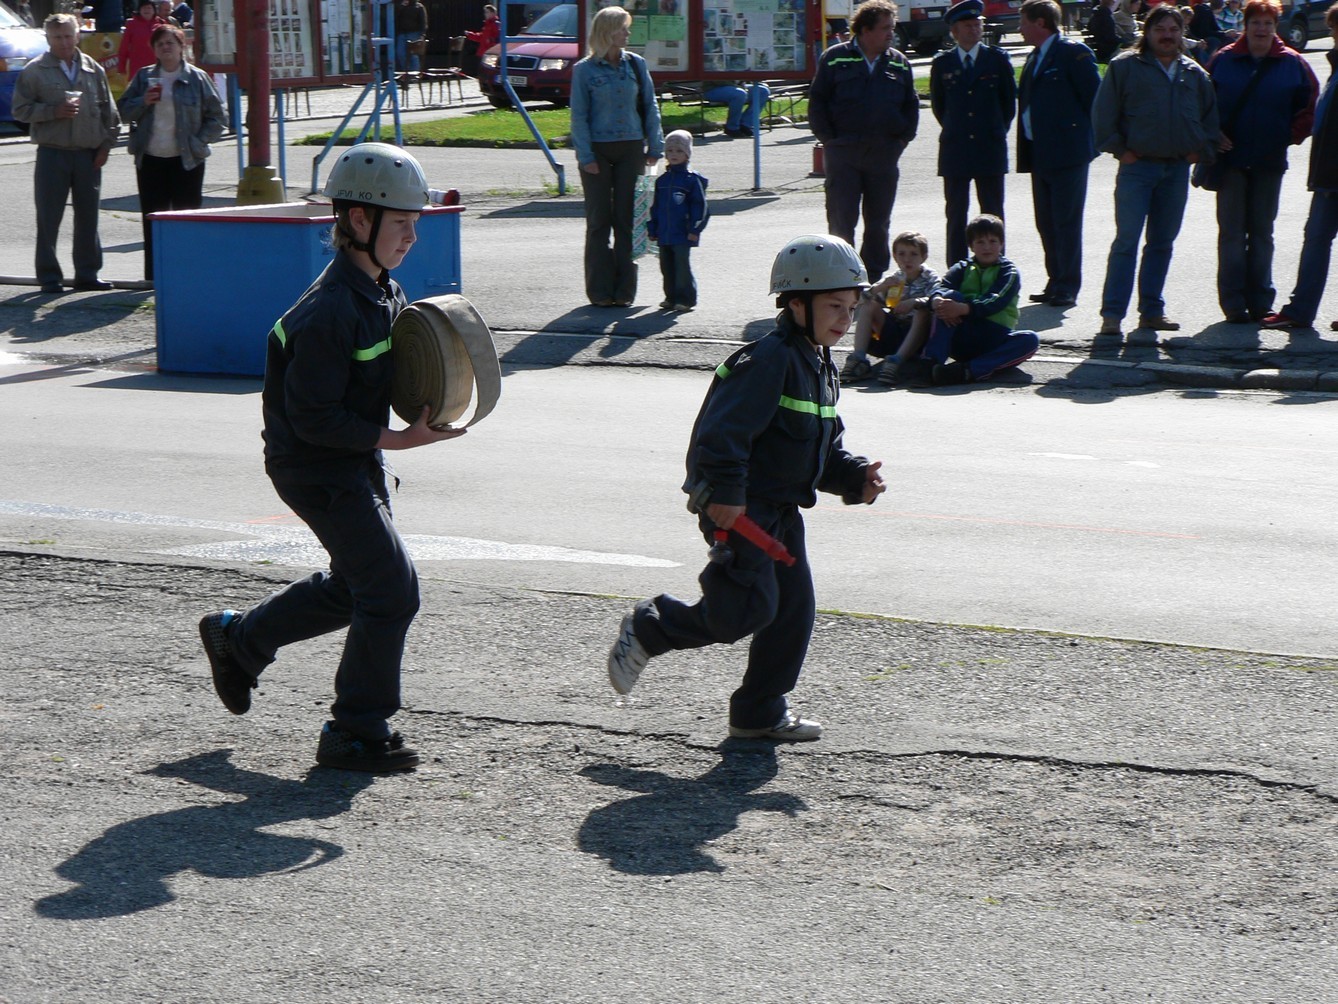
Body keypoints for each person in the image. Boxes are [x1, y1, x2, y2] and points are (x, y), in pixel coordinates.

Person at [197, 142, 467, 773]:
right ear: (359, 219)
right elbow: (314, 419)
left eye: (416, 223)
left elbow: (391, 377)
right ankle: (354, 731)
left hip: (351, 459)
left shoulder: (384, 293)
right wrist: (399, 441)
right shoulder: (328, 312)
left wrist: (432, 397)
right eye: (401, 223)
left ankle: (241, 640)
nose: (411, 236)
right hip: (313, 466)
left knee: (357, 587)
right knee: (391, 590)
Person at [606, 234, 887, 743]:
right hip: (741, 508)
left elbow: (818, 450)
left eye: (851, 308)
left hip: (780, 511)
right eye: (834, 306)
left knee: (793, 611)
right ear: (796, 304)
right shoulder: (768, 360)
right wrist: (727, 496)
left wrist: (854, 477)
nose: (845, 319)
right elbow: (721, 435)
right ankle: (652, 626)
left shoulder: (819, 365)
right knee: (746, 611)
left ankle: (759, 713)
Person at [1092, 5, 1219, 337]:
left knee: (1162, 243)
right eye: (1160, 29)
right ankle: (1112, 315)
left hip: (1175, 171)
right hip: (1137, 169)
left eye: (1174, 29)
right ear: (1147, 32)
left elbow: (1210, 119)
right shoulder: (1124, 67)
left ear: (1182, 33)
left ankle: (1151, 311)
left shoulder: (1194, 73)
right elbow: (1103, 115)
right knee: (1126, 242)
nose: (1167, 35)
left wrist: (1200, 151)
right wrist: (1121, 151)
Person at [1206, 1, 1317, 322]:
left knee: (1262, 233)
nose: (1261, 29)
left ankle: (1260, 302)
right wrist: (1213, 134)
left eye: (1268, 23)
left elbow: (1310, 107)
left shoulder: (1293, 63)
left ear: (1275, 26)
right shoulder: (1223, 60)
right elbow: (1200, 104)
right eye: (1256, 22)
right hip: (1231, 161)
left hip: (1270, 162)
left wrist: (1287, 136)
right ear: (1246, 25)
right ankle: (1233, 304)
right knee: (1231, 233)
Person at [808, 0, 918, 283]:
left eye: (892, 27)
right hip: (843, 154)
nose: (891, 33)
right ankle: (843, 277)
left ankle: (872, 277)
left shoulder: (898, 62)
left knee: (878, 222)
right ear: (865, 30)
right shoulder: (835, 58)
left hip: (883, 154)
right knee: (841, 220)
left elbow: (911, 104)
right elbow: (817, 101)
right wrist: (829, 139)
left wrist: (901, 140)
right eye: (885, 28)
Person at [12, 13, 121, 295]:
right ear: (48, 38)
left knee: (88, 218)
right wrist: (53, 112)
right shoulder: (35, 70)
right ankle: (49, 277)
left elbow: (110, 113)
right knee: (48, 218)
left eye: (68, 36)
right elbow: (20, 110)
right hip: (53, 153)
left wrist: (105, 146)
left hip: (88, 154)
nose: (63, 42)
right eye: (57, 37)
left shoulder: (92, 68)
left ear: (78, 35)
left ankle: (88, 274)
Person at [570, 5, 663, 307]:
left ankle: (624, 291)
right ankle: (599, 291)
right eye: (622, 28)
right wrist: (586, 156)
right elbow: (579, 116)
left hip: (631, 147)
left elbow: (650, 106)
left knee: (627, 221)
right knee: (599, 221)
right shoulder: (584, 70)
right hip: (597, 150)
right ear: (607, 31)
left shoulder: (635, 64)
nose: (627, 33)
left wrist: (656, 147)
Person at [117, 24, 224, 281]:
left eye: (170, 43)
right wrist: (143, 101)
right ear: (154, 49)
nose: (166, 47)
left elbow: (218, 118)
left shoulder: (197, 78)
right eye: (160, 44)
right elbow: (122, 111)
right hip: (150, 159)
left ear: (181, 46)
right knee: (153, 222)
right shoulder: (144, 77)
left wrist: (198, 143)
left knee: (187, 222)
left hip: (187, 161)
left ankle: (188, 277)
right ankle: (154, 279)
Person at [1017, 0, 1101, 308]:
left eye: (1023, 22)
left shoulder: (1073, 54)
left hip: (1068, 153)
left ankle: (1068, 285)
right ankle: (1055, 279)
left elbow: (1096, 100)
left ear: (1040, 23)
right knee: (1046, 222)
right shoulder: (1034, 56)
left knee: (1066, 222)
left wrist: (1087, 140)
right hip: (1039, 152)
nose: (1019, 29)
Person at [1262, 1, 1338, 333]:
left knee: (1316, 240)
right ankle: (1300, 311)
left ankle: (1300, 310)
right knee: (1315, 240)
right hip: (1328, 174)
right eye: (1334, 28)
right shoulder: (1336, 67)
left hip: (1332, 172)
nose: (1334, 35)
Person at [929, 0, 1017, 269]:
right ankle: (956, 271)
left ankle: (996, 270)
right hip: (956, 148)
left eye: (977, 24)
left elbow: (1008, 104)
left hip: (989, 146)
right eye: (967, 26)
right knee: (956, 214)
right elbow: (939, 106)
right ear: (954, 31)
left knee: (992, 213)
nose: (974, 29)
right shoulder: (943, 63)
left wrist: (993, 130)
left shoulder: (996, 59)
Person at [906, 214, 1041, 386]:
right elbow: (940, 287)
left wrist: (964, 308)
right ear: (971, 245)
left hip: (993, 337)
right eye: (980, 242)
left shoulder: (1008, 272)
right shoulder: (962, 267)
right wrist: (937, 300)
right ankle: (929, 364)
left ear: (1001, 244)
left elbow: (995, 300)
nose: (987, 247)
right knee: (948, 297)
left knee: (1030, 340)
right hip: (962, 333)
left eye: (993, 241)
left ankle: (965, 372)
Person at [839, 230, 940, 385]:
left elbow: (937, 297)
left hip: (919, 335)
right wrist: (880, 288)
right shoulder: (894, 279)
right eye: (902, 254)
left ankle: (896, 361)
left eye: (913, 254)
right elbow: (859, 300)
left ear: (924, 257)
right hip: (895, 332)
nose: (907, 259)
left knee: (922, 312)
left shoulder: (930, 277)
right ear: (895, 256)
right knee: (869, 305)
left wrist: (914, 302)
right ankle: (858, 358)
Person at [648, 129, 709, 312]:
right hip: (664, 233)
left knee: (682, 267)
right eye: (670, 151)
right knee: (666, 266)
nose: (674, 154)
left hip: (683, 233)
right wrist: (653, 228)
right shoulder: (662, 181)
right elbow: (656, 207)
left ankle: (686, 299)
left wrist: (695, 229)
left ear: (687, 154)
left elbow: (700, 207)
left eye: (679, 151)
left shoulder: (692, 180)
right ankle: (671, 297)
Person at [702, 80, 771, 138]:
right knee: (739, 94)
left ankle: (745, 124)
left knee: (762, 91)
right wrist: (738, 86)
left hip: (737, 87)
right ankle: (732, 127)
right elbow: (718, 80)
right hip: (714, 89)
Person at [118, 1, 161, 83]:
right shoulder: (131, 24)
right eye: (144, 8)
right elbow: (124, 47)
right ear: (139, 10)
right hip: (137, 66)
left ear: (154, 10)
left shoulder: (161, 23)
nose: (146, 10)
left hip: (157, 66)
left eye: (149, 8)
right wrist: (121, 67)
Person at [394, 0, 428, 73]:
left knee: (413, 55)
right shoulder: (401, 6)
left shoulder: (419, 7)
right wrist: (401, 7)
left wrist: (422, 34)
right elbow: (395, 17)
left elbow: (423, 22)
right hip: (402, 33)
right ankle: (406, 71)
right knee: (400, 53)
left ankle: (415, 73)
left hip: (414, 33)